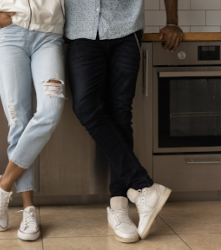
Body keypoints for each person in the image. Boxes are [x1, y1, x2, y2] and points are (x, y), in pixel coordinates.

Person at [65, 0, 183, 243]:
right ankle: (144, 187)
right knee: (86, 107)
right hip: (81, 32)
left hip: (126, 31)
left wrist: (172, 21)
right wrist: (15, 22)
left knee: (120, 113)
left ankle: (119, 207)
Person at [0, 0, 65, 241]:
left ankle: (2, 185)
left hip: (49, 37)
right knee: (18, 122)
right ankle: (29, 210)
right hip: (11, 36)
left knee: (51, 109)